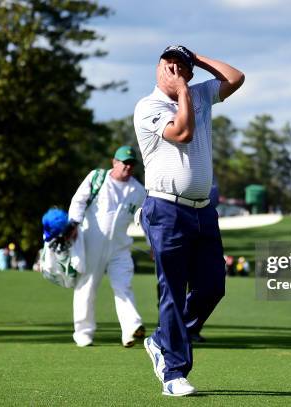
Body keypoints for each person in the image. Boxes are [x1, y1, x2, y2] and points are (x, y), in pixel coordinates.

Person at [134, 45, 244, 396]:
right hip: (165, 210)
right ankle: (173, 373)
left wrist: (198, 60)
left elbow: (235, 78)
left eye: (181, 66)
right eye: (168, 64)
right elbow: (182, 133)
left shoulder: (199, 93)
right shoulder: (148, 107)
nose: (174, 70)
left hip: (202, 211)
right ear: (158, 68)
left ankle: (163, 339)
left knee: (213, 286)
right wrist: (183, 89)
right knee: (172, 289)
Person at [68, 146, 147, 348]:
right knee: (86, 287)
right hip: (91, 241)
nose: (128, 167)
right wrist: (73, 224)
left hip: (120, 246)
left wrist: (153, 245)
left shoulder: (138, 190)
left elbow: (146, 220)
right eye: (124, 162)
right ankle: (83, 333)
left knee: (124, 285)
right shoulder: (97, 178)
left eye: (131, 164)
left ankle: (131, 329)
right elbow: (78, 201)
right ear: (114, 162)